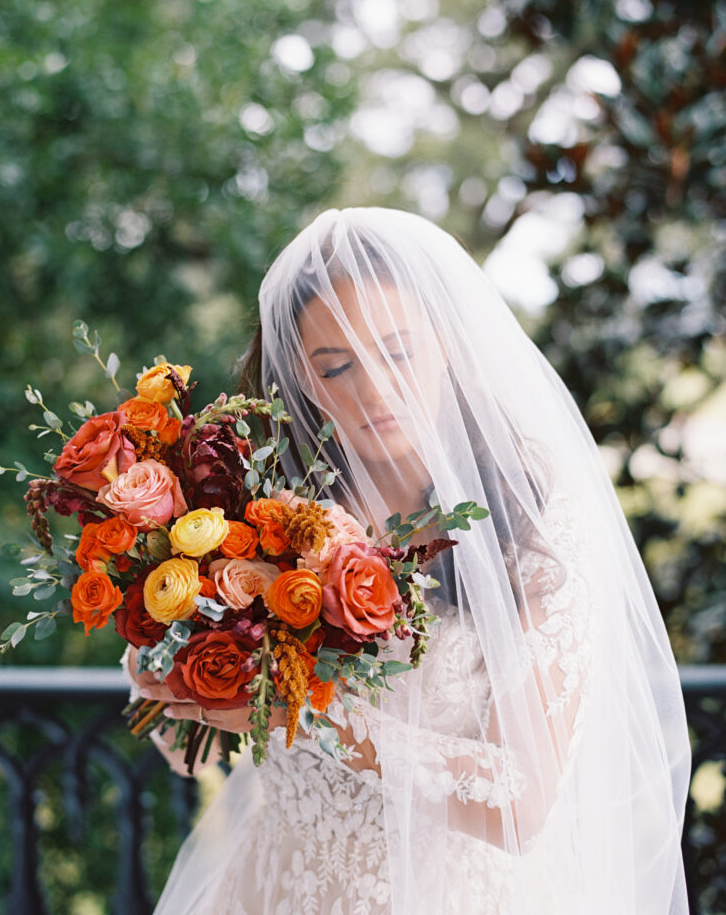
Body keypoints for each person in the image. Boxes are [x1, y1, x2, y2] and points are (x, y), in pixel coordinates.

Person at [123, 206, 692, 915]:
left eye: (395, 351)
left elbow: (520, 803)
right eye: (335, 367)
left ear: (445, 341)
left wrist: (302, 712)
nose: (372, 391)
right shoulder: (257, 503)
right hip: (272, 888)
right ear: (300, 379)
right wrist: (168, 660)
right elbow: (191, 744)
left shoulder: (535, 514)